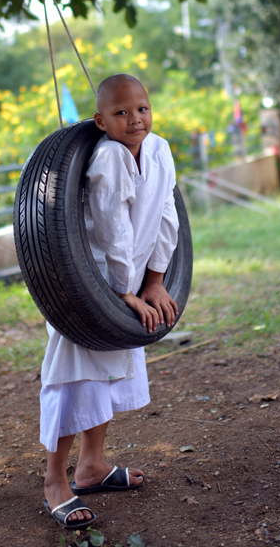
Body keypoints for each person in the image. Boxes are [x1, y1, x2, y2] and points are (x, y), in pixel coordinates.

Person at [41, 73, 179, 529]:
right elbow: (111, 229)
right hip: (83, 282)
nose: (135, 119)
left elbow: (166, 216)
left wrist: (154, 281)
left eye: (142, 108)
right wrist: (122, 290)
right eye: (121, 113)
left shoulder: (159, 150)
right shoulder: (108, 157)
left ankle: (92, 466)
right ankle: (54, 480)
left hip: (132, 280)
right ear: (100, 121)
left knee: (108, 368)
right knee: (73, 375)